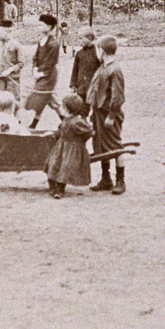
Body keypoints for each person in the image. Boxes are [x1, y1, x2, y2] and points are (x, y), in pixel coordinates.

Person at [87, 35, 127, 195]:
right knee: (101, 145)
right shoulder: (104, 67)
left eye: (98, 49)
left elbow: (118, 96)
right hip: (98, 112)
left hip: (109, 114)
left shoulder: (115, 69)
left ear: (102, 51)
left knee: (115, 146)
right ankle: (106, 178)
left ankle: (120, 180)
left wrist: (111, 116)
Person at [44, 94, 93, 199]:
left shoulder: (77, 122)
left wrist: (81, 142)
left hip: (72, 149)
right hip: (61, 146)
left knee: (65, 167)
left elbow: (89, 131)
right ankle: (52, 187)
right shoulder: (66, 119)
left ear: (67, 108)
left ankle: (60, 189)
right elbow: (61, 130)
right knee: (52, 163)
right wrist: (54, 135)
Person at [26, 14, 63, 129]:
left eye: (41, 25)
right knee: (48, 98)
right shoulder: (41, 41)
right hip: (40, 73)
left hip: (49, 75)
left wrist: (41, 74)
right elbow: (36, 57)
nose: (39, 27)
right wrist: (34, 69)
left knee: (40, 97)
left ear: (49, 27)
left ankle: (33, 125)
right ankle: (64, 119)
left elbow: (50, 63)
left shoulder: (53, 44)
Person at [70, 25, 100, 114]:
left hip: (94, 88)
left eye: (81, 39)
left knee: (96, 112)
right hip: (81, 88)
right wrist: (73, 84)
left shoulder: (97, 53)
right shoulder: (79, 54)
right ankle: (83, 125)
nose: (79, 41)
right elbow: (75, 70)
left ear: (89, 38)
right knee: (82, 111)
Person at [0, 21, 23, 106]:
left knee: (14, 102)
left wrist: (10, 70)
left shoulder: (16, 45)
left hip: (12, 79)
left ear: (6, 32)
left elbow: (21, 63)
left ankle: (16, 119)